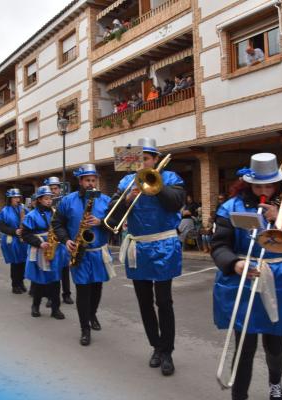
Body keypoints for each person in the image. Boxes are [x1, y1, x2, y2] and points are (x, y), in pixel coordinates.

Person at [211, 153, 282, 400]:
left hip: (279, 278)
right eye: (258, 185)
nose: (263, 190)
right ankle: (239, 394)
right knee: (244, 345)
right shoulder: (231, 206)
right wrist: (234, 263)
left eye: (269, 185)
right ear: (249, 184)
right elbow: (219, 245)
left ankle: (275, 384)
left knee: (275, 343)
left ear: (278, 183)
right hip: (244, 277)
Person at [107, 137, 185, 376]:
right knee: (143, 302)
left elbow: (175, 203)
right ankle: (156, 347)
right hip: (138, 248)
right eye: (139, 159)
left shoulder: (171, 178)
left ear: (156, 159)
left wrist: (156, 185)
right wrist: (126, 199)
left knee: (164, 301)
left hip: (164, 245)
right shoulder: (125, 182)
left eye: (147, 159)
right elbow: (111, 216)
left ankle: (168, 351)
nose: (142, 164)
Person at [52, 164, 115, 346]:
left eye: (93, 180)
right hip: (78, 251)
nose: (91, 183)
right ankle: (84, 328)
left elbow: (116, 223)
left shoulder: (106, 200)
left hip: (98, 252)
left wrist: (101, 222)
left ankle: (92, 313)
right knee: (83, 290)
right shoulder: (67, 201)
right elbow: (57, 224)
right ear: (80, 181)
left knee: (96, 288)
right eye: (87, 180)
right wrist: (65, 241)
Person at [22, 186, 67, 319]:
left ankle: (55, 308)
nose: (49, 201)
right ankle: (35, 306)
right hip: (39, 249)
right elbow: (25, 234)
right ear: (39, 200)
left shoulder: (55, 213)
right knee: (39, 281)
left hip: (55, 249)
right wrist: (40, 243)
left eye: (50, 198)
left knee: (55, 280)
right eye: (46, 199)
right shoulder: (31, 215)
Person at [44, 176, 74, 305]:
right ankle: (51, 297)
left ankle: (66, 294)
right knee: (51, 270)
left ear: (59, 190)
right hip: (50, 241)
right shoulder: (44, 206)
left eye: (55, 189)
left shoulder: (64, 202)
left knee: (65, 270)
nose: (53, 192)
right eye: (51, 189)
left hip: (63, 241)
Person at [0, 188, 28, 294]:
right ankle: (15, 285)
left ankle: (21, 282)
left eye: (18, 197)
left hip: (23, 240)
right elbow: (2, 227)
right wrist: (15, 231)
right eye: (14, 197)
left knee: (23, 262)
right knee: (15, 263)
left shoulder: (23, 209)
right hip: (12, 240)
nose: (17, 199)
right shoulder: (5, 211)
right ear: (10, 199)